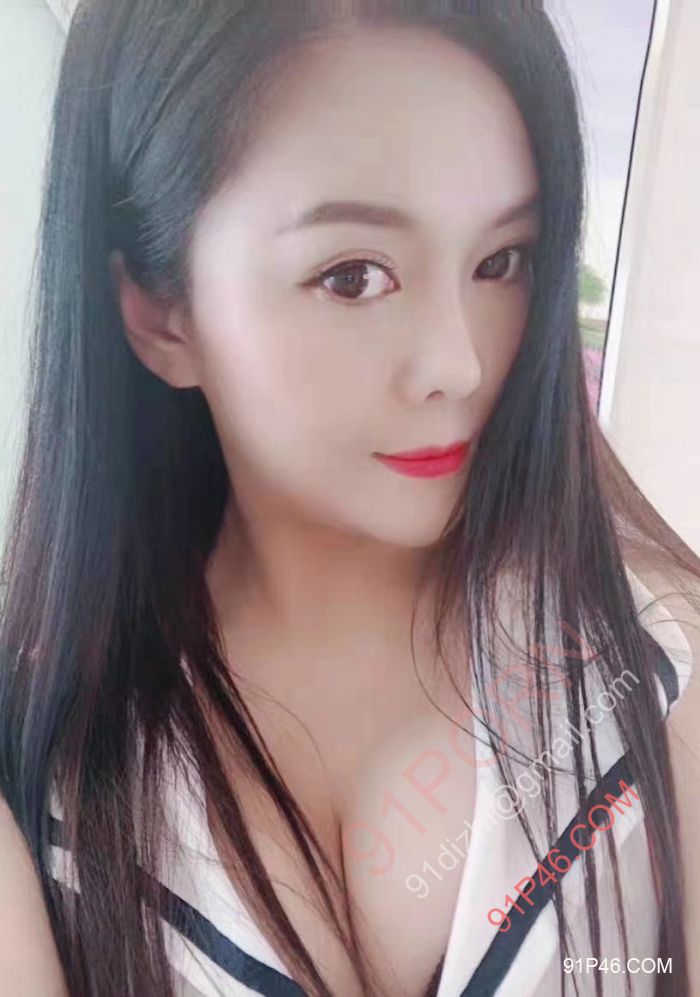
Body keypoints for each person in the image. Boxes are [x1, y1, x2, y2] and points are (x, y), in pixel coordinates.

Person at [0, 2, 699, 995]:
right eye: (353, 276)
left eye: (501, 261)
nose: (457, 363)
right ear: (160, 313)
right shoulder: (47, 756)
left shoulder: (657, 670)